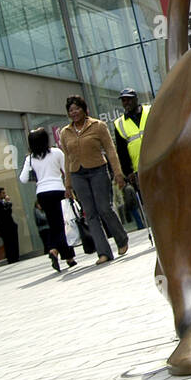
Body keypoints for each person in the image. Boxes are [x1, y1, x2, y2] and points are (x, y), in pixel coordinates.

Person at [59, 95, 129, 265]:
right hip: (77, 175)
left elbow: (110, 150)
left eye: (77, 109)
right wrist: (67, 185)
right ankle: (103, 253)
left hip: (98, 170)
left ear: (84, 109)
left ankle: (121, 240)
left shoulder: (98, 126)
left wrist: (118, 173)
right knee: (90, 214)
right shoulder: (65, 132)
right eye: (71, 110)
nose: (74, 112)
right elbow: (67, 159)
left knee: (104, 208)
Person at [20, 126, 76, 271]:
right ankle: (67, 256)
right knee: (63, 224)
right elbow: (67, 170)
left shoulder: (30, 159)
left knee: (54, 224)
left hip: (42, 193)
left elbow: (23, 179)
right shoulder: (56, 153)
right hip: (58, 190)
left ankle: (54, 250)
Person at [113, 89, 150, 221]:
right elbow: (121, 151)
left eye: (128, 99)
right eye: (123, 100)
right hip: (138, 170)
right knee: (148, 203)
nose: (126, 102)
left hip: (158, 163)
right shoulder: (119, 124)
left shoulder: (150, 111)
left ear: (136, 99)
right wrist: (128, 172)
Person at [0, 187, 20, 263]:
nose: (5, 194)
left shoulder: (2, 202)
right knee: (9, 243)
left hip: (11, 225)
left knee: (14, 242)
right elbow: (5, 214)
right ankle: (12, 258)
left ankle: (15, 257)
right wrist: (8, 204)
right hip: (5, 227)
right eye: (3, 193)